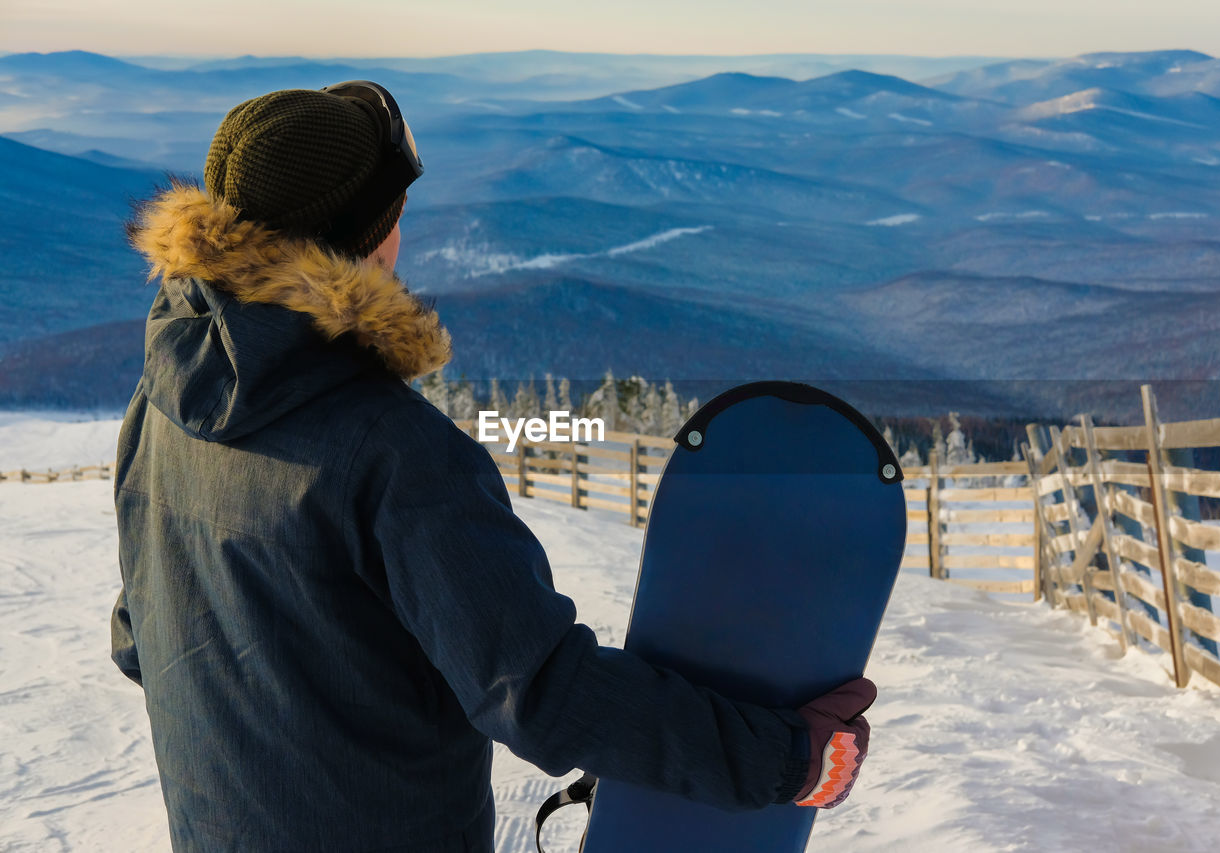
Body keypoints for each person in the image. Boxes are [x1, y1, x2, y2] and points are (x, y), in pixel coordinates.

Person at [110, 82, 876, 853]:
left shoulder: (165, 400)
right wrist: (788, 758)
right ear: (365, 241)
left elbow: (140, 634)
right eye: (394, 217)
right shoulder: (394, 452)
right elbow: (542, 692)